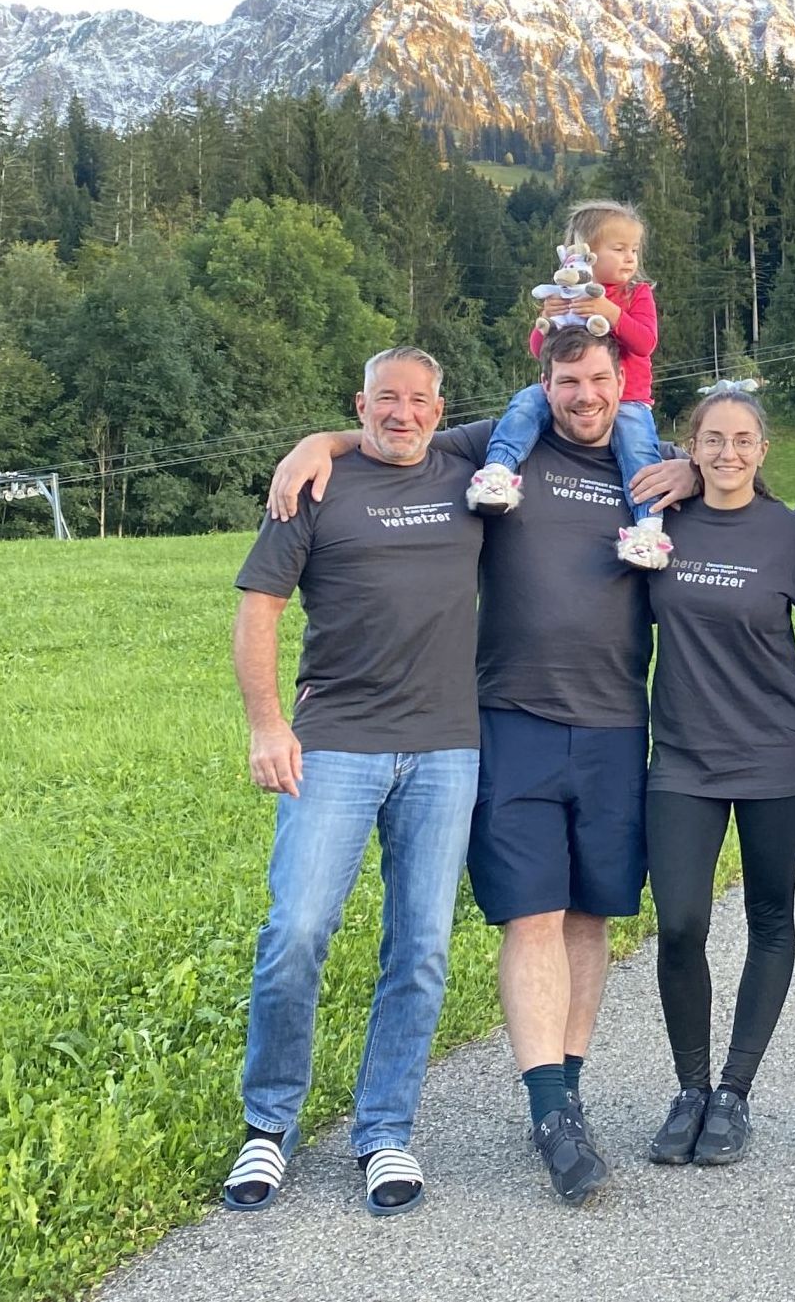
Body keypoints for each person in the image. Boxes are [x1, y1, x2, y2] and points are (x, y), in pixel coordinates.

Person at [264, 326, 697, 1209]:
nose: (585, 394)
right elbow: (397, 430)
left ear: (624, 384)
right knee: (530, 913)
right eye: (568, 379)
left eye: (600, 379)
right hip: (508, 720)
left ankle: (564, 1091)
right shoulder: (503, 447)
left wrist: (689, 467)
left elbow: (728, 470)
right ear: (543, 385)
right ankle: (548, 1116)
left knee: (589, 913)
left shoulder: (646, 464)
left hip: (618, 722)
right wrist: (322, 441)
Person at [224, 346, 484, 1218]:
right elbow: (258, 609)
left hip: (447, 747)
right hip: (334, 741)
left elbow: (569, 405)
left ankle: (384, 1130)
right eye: (383, 400)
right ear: (360, 404)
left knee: (420, 947)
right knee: (296, 928)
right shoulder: (314, 489)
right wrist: (267, 723)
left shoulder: (467, 461)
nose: (401, 413)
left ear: (439, 409)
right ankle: (268, 1123)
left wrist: (679, 459)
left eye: (417, 400)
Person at [643, 382, 795, 1169]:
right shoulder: (658, 519)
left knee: (769, 917)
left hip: (774, 752)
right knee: (680, 922)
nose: (727, 453)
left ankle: (733, 1091)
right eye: (711, 440)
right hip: (681, 754)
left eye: (742, 440)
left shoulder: (790, 533)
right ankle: (688, 1087)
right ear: (691, 447)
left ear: (763, 449)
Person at [466, 200, 674, 570]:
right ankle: (497, 474)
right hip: (565, 396)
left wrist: (613, 315)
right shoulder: (568, 291)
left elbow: (645, 342)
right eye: (619, 249)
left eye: (634, 250)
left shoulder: (635, 295)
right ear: (587, 253)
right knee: (525, 404)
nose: (630, 259)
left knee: (639, 453)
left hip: (628, 400)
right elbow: (539, 351)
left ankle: (648, 529)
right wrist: (545, 320)